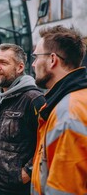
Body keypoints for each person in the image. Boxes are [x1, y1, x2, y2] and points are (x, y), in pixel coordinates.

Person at [31, 25, 87, 195]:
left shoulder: (67, 113)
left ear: (52, 60)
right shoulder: (75, 100)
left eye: (36, 57)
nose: (33, 64)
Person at [0, 43, 46, 195]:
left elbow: (47, 143)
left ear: (19, 68)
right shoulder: (0, 97)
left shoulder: (34, 99)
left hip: (18, 189)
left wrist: (27, 173)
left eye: (3, 62)